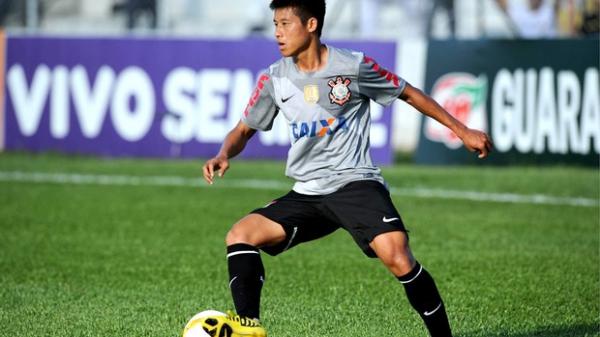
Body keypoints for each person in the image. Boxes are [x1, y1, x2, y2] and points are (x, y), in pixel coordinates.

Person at [201, 0, 492, 336]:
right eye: (275, 24)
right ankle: (248, 328)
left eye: (285, 23)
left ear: (311, 25)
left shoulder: (352, 67)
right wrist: (225, 153)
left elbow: (408, 93)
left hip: (355, 183)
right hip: (307, 192)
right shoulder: (274, 78)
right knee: (240, 235)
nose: (278, 33)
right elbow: (243, 130)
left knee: (397, 255)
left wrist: (462, 130)